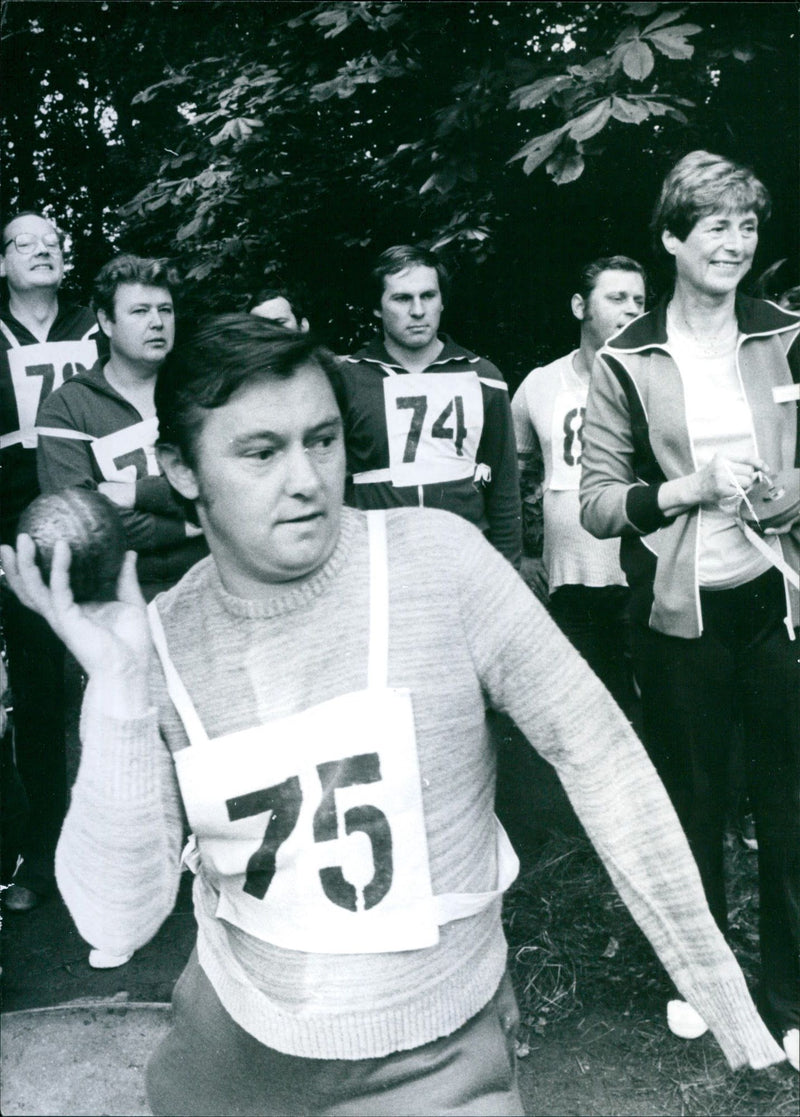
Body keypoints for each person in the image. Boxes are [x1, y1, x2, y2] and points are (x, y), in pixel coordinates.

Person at [2, 314, 787, 1115]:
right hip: (233, 1052)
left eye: (324, 439)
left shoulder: (443, 562)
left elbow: (604, 759)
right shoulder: (164, 641)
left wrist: (720, 992)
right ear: (182, 467)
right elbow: (117, 914)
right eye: (261, 451)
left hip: (438, 1061)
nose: (307, 478)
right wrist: (122, 691)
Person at [580, 151, 799, 1069]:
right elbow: (596, 502)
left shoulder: (789, 332)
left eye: (747, 225)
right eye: (716, 225)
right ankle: (700, 983)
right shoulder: (626, 359)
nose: (736, 243)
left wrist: (783, 496)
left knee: (789, 806)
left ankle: (790, 997)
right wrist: (691, 489)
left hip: (776, 606)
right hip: (680, 619)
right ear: (673, 237)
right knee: (694, 805)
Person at [0, 210, 102, 913]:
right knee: (37, 686)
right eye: (24, 243)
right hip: (14, 520)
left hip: (97, 512)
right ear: (1, 260)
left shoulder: (98, 327)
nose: (42, 250)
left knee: (113, 673)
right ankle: (45, 846)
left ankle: (127, 837)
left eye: (53, 242)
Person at [511, 256, 646, 716]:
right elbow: (518, 475)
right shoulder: (539, 384)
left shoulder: (656, 382)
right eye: (616, 298)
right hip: (567, 582)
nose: (630, 310)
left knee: (655, 715)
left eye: (639, 301)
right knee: (583, 715)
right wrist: (526, 554)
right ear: (578, 306)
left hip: (644, 577)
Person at [36, 254, 207, 604]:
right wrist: (183, 524)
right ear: (106, 321)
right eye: (140, 311)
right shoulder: (67, 408)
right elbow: (78, 524)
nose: (157, 322)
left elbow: (228, 485)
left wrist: (132, 495)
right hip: (119, 602)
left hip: (211, 584)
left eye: (166, 310)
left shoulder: (206, 388)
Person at [341, 245, 522, 568]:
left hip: (465, 565)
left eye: (428, 296)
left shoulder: (484, 378)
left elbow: (504, 489)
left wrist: (508, 572)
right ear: (377, 308)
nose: (417, 310)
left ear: (442, 301)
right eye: (401, 298)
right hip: (377, 566)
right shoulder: (347, 381)